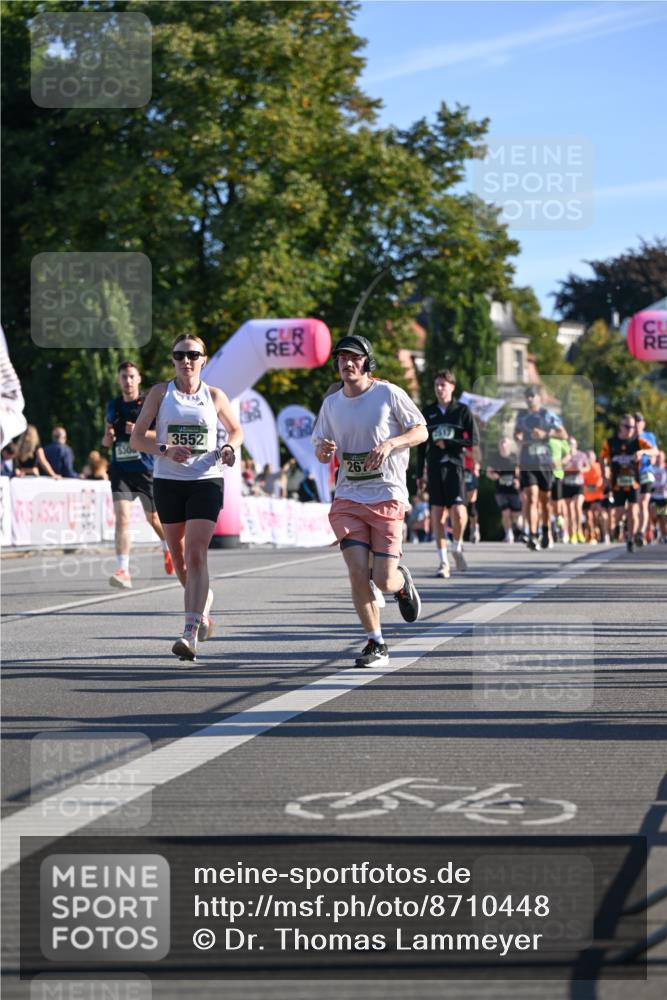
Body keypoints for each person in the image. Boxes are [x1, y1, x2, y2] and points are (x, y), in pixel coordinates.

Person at [312, 334, 427, 668]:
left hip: (387, 495)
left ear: (367, 362)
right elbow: (320, 449)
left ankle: (401, 583)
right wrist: (324, 451)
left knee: (383, 580)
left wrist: (391, 444)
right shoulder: (332, 403)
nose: (347, 363)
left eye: (354, 358)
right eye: (342, 358)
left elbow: (421, 431)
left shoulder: (388, 393)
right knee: (357, 572)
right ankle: (376, 643)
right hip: (348, 496)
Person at [130, 334, 242, 662]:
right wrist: (165, 449)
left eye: (193, 354)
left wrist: (228, 447)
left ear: (204, 359)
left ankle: (189, 632)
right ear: (173, 360)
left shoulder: (215, 396)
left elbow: (236, 430)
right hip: (168, 482)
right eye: (180, 355)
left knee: (195, 554)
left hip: (206, 480)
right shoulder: (160, 393)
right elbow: (137, 439)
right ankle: (202, 606)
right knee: (178, 558)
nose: (186, 361)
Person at [103, 361, 174, 589]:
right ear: (118, 379)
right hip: (120, 469)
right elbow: (107, 436)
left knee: (153, 519)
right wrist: (107, 439)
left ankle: (168, 546)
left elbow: (163, 435)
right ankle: (123, 570)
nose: (128, 381)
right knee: (122, 518)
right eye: (124, 376)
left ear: (139, 378)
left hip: (144, 469)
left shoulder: (148, 404)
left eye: (132, 376)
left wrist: (140, 432)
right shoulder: (112, 406)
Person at [416, 369, 478, 578]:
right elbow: (420, 446)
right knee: (437, 515)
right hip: (434, 468)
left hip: (455, 466)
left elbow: (473, 440)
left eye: (443, 385)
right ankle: (443, 562)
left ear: (452, 387)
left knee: (459, 513)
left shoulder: (462, 411)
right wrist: (418, 474)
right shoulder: (428, 412)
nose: (439, 389)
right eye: (436, 385)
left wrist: (451, 443)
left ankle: (457, 546)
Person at [514, 386, 567, 550]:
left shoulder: (547, 415)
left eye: (532, 396)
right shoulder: (521, 416)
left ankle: (546, 530)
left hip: (544, 462)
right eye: (527, 396)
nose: (529, 399)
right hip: (527, 461)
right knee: (531, 497)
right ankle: (533, 533)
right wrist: (518, 438)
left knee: (545, 501)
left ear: (539, 398)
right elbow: (516, 434)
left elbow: (563, 434)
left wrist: (546, 434)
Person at [600, 414, 657, 553]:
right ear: (620, 426)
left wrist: (642, 452)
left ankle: (631, 538)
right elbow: (602, 457)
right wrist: (605, 473)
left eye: (632, 426)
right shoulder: (611, 442)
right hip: (617, 482)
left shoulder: (638, 441)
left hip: (634, 482)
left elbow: (654, 451)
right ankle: (619, 525)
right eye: (627, 427)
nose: (631, 429)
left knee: (633, 510)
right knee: (618, 511)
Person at [485, 436, 522, 543]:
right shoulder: (495, 458)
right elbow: (488, 472)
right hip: (500, 490)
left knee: (516, 515)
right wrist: (493, 476)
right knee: (505, 513)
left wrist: (518, 481)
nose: (504, 445)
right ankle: (508, 533)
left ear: (509, 446)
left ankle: (519, 530)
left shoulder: (514, 457)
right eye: (502, 443)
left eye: (506, 443)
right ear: (499, 446)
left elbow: (519, 472)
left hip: (513, 490)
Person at [634, 412, 658, 545]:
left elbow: (655, 451)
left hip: (646, 472)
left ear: (643, 423)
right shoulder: (629, 438)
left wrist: (643, 452)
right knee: (634, 505)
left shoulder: (648, 436)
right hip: (632, 475)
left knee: (643, 503)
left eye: (640, 421)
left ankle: (641, 532)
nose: (637, 424)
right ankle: (635, 530)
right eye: (635, 421)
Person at [561, 437, 590, 544]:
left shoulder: (581, 455)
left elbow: (588, 467)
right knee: (569, 510)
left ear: (576, 445)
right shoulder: (564, 456)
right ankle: (572, 533)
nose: (570, 446)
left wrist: (580, 469)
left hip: (578, 484)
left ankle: (579, 531)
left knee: (577, 507)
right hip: (567, 484)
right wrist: (566, 461)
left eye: (572, 444)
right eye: (569, 444)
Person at [582, 450, 607, 543]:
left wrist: (587, 487)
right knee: (588, 517)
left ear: (593, 458)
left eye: (590, 457)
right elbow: (582, 484)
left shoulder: (597, 467)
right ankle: (592, 536)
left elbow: (597, 484)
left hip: (597, 497)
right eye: (587, 457)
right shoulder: (584, 468)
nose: (588, 459)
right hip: (586, 498)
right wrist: (586, 488)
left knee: (599, 515)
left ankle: (603, 534)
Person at [649, 451, 667, 543]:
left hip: (663, 497)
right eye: (657, 457)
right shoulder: (651, 468)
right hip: (653, 496)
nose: (659, 458)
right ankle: (655, 529)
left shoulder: (665, 468)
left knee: (663, 517)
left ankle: (664, 536)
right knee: (653, 515)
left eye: (660, 457)